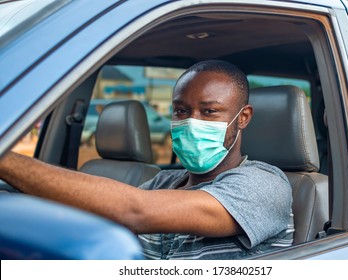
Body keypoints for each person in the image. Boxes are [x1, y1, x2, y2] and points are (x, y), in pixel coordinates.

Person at [0, 60, 293, 259]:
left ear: (242, 118)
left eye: (209, 112)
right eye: (181, 111)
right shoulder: (165, 182)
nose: (191, 122)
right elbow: (103, 216)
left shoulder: (266, 185)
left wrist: (6, 160)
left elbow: (135, 211)